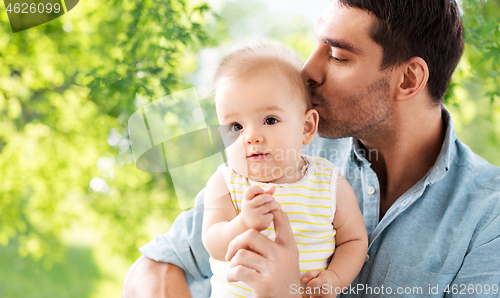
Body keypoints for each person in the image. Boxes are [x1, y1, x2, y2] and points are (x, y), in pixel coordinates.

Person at [123, 0, 500, 297]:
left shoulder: (488, 216)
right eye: (315, 46)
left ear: (409, 78)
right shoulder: (278, 149)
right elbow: (154, 268)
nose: (307, 71)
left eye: (337, 56)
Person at [202, 44, 368, 297]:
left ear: (306, 127)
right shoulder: (225, 182)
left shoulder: (329, 184)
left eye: (270, 120)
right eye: (235, 126)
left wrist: (335, 278)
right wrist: (243, 223)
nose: (251, 137)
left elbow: (354, 241)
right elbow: (213, 242)